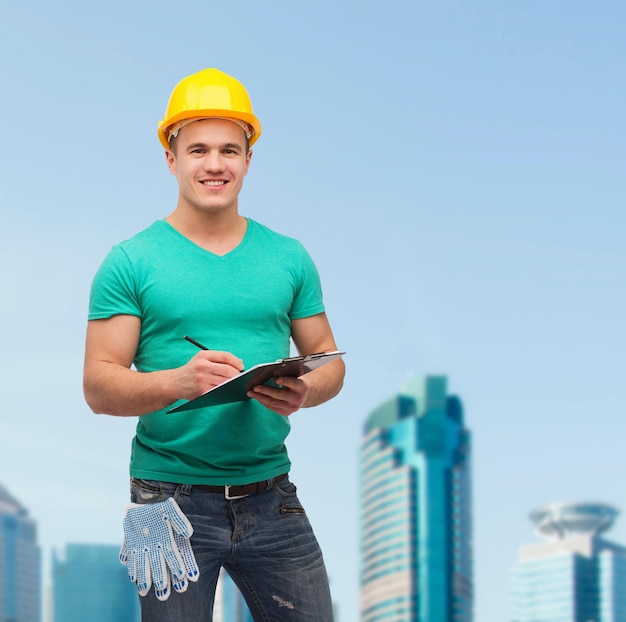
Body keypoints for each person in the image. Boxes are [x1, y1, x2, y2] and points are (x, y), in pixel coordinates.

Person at [83, 68, 345, 621]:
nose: (214, 164)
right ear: (171, 157)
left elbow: (329, 360)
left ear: (249, 159)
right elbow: (99, 385)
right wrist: (179, 382)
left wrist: (305, 390)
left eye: (230, 149)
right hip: (168, 502)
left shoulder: (289, 256)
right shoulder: (131, 261)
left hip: (272, 496)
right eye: (197, 148)